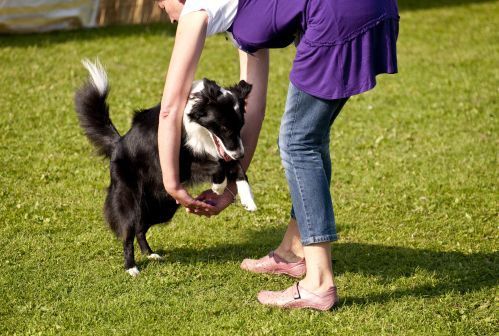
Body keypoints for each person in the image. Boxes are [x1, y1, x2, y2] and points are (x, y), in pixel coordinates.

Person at [155, 0, 399, 311]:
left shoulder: (196, 10)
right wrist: (231, 187)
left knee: (298, 141)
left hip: (337, 14)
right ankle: (292, 251)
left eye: (163, 7)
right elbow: (251, 105)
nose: (169, 17)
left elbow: (170, 108)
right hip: (374, 7)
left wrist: (172, 183)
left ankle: (318, 284)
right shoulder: (238, 9)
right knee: (309, 137)